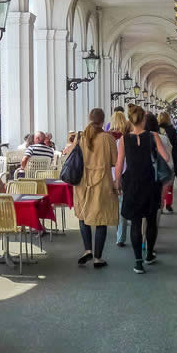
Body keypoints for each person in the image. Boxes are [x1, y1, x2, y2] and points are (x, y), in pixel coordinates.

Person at [114, 106, 171, 274]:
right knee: (151, 220)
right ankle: (149, 254)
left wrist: (118, 182)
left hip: (132, 182)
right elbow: (166, 157)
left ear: (130, 121)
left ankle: (138, 262)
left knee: (136, 222)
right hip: (150, 182)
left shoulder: (124, 140)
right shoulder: (153, 136)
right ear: (144, 120)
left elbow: (119, 164)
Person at [74, 109, 118, 268]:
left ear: (89, 118)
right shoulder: (108, 138)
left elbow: (73, 159)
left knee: (83, 216)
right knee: (101, 219)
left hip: (82, 183)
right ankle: (98, 258)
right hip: (101, 183)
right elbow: (114, 161)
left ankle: (87, 250)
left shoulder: (81, 137)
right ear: (102, 120)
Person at [109, 109, 132, 248]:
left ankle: (120, 236)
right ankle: (124, 235)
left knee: (117, 206)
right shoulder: (127, 136)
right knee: (124, 204)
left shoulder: (108, 135)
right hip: (126, 173)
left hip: (112, 173)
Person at [145, 113, 174, 217]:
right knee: (160, 196)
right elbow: (168, 156)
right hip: (162, 172)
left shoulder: (136, 138)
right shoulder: (163, 138)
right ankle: (158, 215)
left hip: (145, 173)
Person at [158, 111, 177, 211]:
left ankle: (160, 203)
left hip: (159, 160)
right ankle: (168, 203)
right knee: (170, 184)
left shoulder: (156, 130)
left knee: (159, 183)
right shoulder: (172, 130)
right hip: (170, 160)